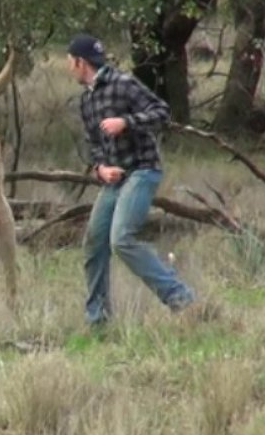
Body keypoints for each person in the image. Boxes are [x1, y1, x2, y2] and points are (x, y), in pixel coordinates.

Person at [66, 33, 199, 325]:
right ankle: (98, 319)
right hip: (115, 180)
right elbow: (94, 147)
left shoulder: (123, 85)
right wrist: (100, 169)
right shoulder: (86, 100)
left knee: (122, 239)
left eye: (70, 62)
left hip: (142, 170)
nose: (69, 68)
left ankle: (183, 300)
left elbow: (162, 113)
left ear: (80, 62)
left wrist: (126, 122)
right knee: (94, 241)